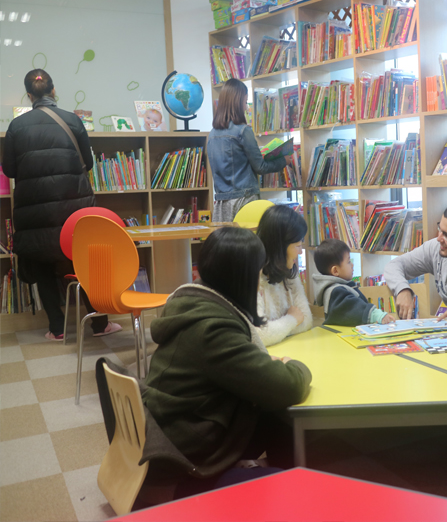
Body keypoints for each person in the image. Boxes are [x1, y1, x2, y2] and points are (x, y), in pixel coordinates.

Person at [142, 227, 311, 492]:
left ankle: (278, 468)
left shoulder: (194, 304)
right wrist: (293, 365)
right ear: (242, 277)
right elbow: (288, 385)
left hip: (177, 426)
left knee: (273, 410)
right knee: (279, 410)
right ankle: (288, 483)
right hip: (187, 456)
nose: (260, 283)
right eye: (257, 273)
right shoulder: (214, 330)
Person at [1, 69, 120, 340]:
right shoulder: (72, 120)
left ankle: (57, 329)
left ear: (29, 95)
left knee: (42, 263)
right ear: (53, 90)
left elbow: (9, 169)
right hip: (73, 206)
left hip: (35, 210)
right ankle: (100, 324)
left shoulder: (16, 126)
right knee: (83, 262)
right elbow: (88, 163)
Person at [207, 79, 293, 222]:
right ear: (237, 102)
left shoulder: (212, 135)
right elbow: (261, 167)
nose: (246, 107)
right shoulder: (243, 131)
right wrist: (284, 161)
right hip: (244, 200)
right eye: (245, 102)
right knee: (248, 236)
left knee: (226, 236)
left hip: (222, 203)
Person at [256, 205, 313, 346]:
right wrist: (292, 319)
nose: (300, 252)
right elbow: (260, 335)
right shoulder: (253, 277)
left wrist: (277, 330)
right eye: (297, 246)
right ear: (279, 246)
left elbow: (307, 319)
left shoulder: (289, 273)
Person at [312, 239, 397, 326]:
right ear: (335, 271)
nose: (352, 265)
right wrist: (375, 315)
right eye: (348, 262)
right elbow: (353, 309)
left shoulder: (341, 286)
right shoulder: (335, 292)